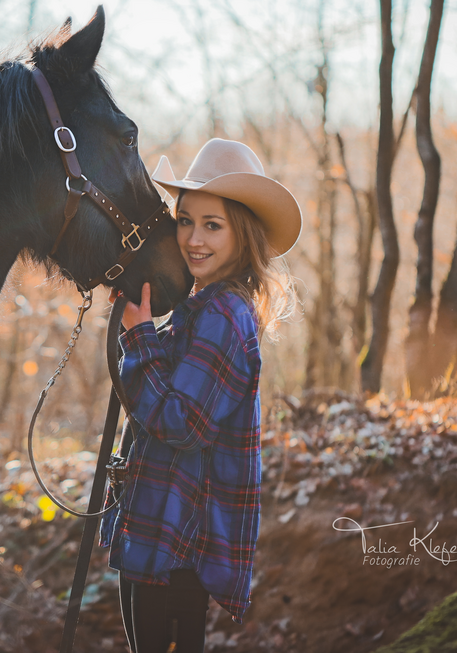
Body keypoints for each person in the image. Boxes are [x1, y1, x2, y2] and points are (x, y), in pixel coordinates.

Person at [100, 138, 302, 653]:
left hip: (179, 547)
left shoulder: (224, 317)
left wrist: (140, 337)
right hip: (159, 533)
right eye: (186, 220)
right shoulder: (200, 309)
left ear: (244, 234)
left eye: (213, 225)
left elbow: (182, 423)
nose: (193, 238)